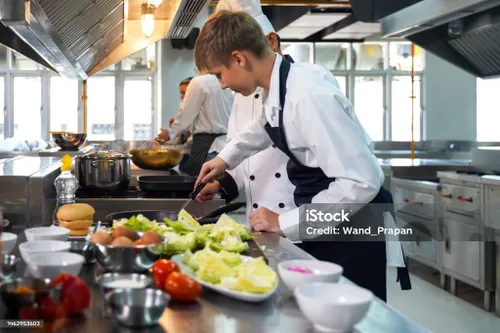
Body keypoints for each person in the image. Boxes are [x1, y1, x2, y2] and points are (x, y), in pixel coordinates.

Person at [193, 10, 411, 301]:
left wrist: (284, 223)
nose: (222, 85)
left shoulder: (309, 94)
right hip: (329, 219)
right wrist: (226, 159)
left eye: (219, 74)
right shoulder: (281, 86)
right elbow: (264, 127)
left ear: (239, 58)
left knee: (347, 317)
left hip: (352, 225)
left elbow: (362, 181)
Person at [160, 71, 234, 176]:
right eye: (181, 93)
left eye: (186, 92)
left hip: (208, 150)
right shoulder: (225, 90)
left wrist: (168, 135)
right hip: (219, 149)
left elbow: (184, 127)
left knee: (202, 186)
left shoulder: (200, 83)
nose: (183, 96)